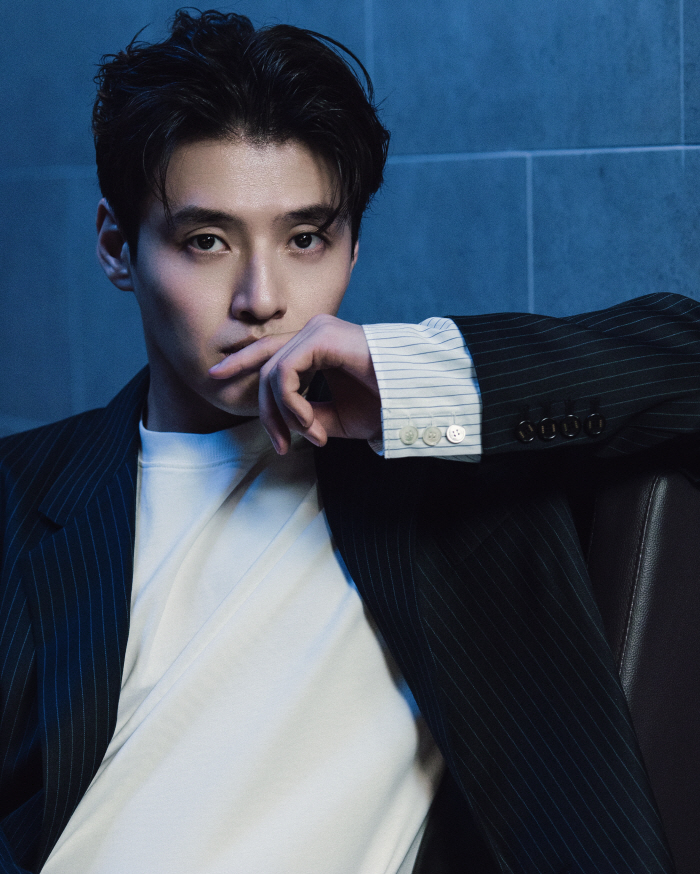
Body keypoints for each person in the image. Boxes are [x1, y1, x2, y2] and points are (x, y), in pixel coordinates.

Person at [1, 8, 695, 873]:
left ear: (353, 248)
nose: (262, 297)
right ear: (118, 248)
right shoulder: (24, 496)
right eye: (207, 241)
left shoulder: (442, 471)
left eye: (305, 239)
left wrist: (413, 380)